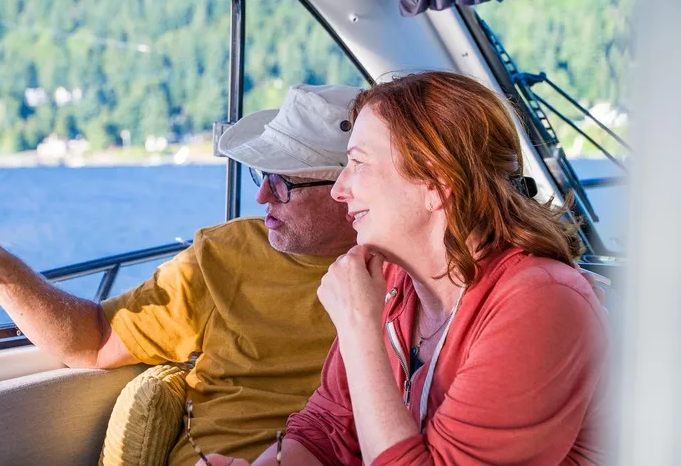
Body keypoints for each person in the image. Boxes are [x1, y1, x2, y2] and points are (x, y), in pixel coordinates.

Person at [0, 83, 362, 465]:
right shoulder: (227, 254)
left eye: (284, 181)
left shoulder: (418, 282)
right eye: (262, 176)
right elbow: (92, 341)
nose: (262, 199)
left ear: (351, 186)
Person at [208, 72, 608, 466]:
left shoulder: (540, 303)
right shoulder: (399, 281)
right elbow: (328, 430)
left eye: (358, 163)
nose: (338, 188)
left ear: (436, 182)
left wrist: (358, 329)